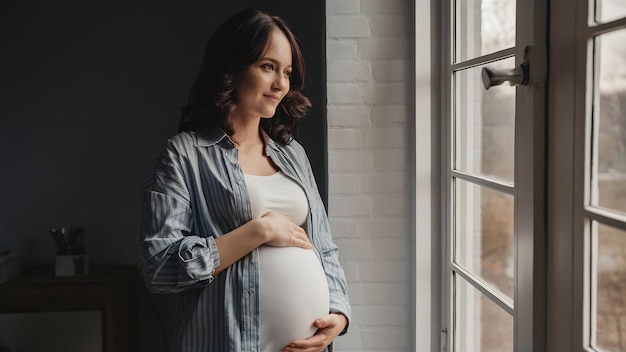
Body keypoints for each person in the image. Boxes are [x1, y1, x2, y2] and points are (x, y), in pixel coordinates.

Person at [141, 8, 351, 352]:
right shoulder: (185, 155)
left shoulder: (292, 153)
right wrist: (259, 232)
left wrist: (338, 318)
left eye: (287, 72)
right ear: (232, 68)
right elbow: (159, 267)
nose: (281, 84)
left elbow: (324, 247)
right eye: (268, 67)